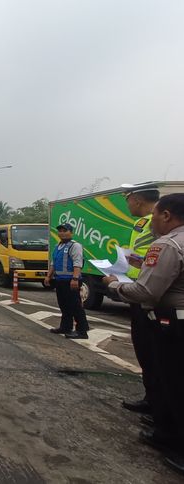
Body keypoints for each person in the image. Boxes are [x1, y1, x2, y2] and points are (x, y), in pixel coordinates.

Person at [102, 193, 184, 474]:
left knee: (173, 380)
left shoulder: (168, 244)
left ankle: (174, 439)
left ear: (166, 216)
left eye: (157, 216)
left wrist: (114, 285)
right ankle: (163, 422)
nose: (152, 224)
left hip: (172, 322)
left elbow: (147, 292)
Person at [119, 183, 161, 415]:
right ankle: (152, 399)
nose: (128, 204)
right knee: (144, 349)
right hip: (137, 286)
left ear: (136, 199)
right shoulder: (141, 223)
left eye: (128, 199)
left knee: (156, 352)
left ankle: (161, 407)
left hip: (154, 293)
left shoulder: (159, 224)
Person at [44, 223, 90, 339]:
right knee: (64, 305)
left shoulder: (75, 246)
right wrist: (48, 276)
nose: (62, 233)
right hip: (60, 281)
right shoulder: (57, 246)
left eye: (65, 230)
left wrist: (75, 278)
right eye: (60, 231)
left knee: (75, 306)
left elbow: (77, 263)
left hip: (71, 281)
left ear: (71, 232)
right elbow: (53, 263)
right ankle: (65, 327)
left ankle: (82, 331)